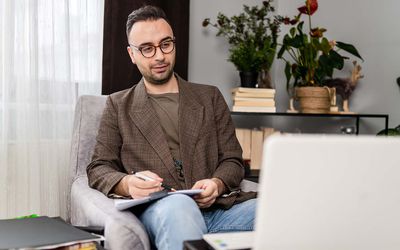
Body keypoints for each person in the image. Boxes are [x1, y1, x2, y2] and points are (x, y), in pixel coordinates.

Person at [87, 5, 257, 250]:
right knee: (180, 207)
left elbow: (232, 160)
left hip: (220, 209)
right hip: (162, 210)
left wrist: (217, 183)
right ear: (132, 54)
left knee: (280, 210)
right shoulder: (117, 105)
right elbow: (98, 167)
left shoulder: (209, 97)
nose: (159, 56)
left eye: (165, 44)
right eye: (147, 48)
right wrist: (127, 184)